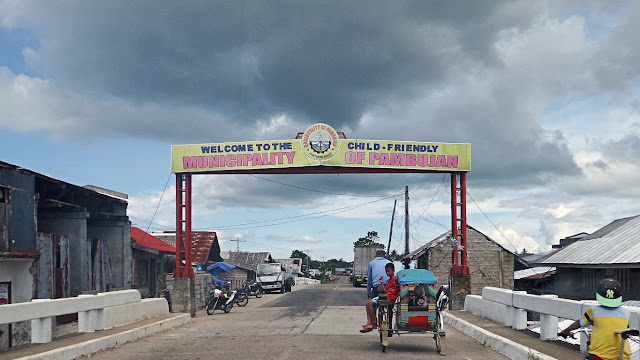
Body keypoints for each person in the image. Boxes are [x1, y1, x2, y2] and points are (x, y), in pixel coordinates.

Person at [559, 278, 631, 360]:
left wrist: (566, 331)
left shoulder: (594, 311)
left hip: (600, 356)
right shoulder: (626, 313)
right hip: (623, 356)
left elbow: (579, 323)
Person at [361, 262, 399, 334]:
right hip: (385, 297)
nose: (387, 273)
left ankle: (373, 323)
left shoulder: (395, 279)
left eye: (389, 271)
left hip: (389, 299)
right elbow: (386, 291)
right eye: (386, 272)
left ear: (393, 270)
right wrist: (381, 283)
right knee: (368, 304)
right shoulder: (388, 281)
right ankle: (370, 323)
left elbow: (399, 287)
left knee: (369, 303)